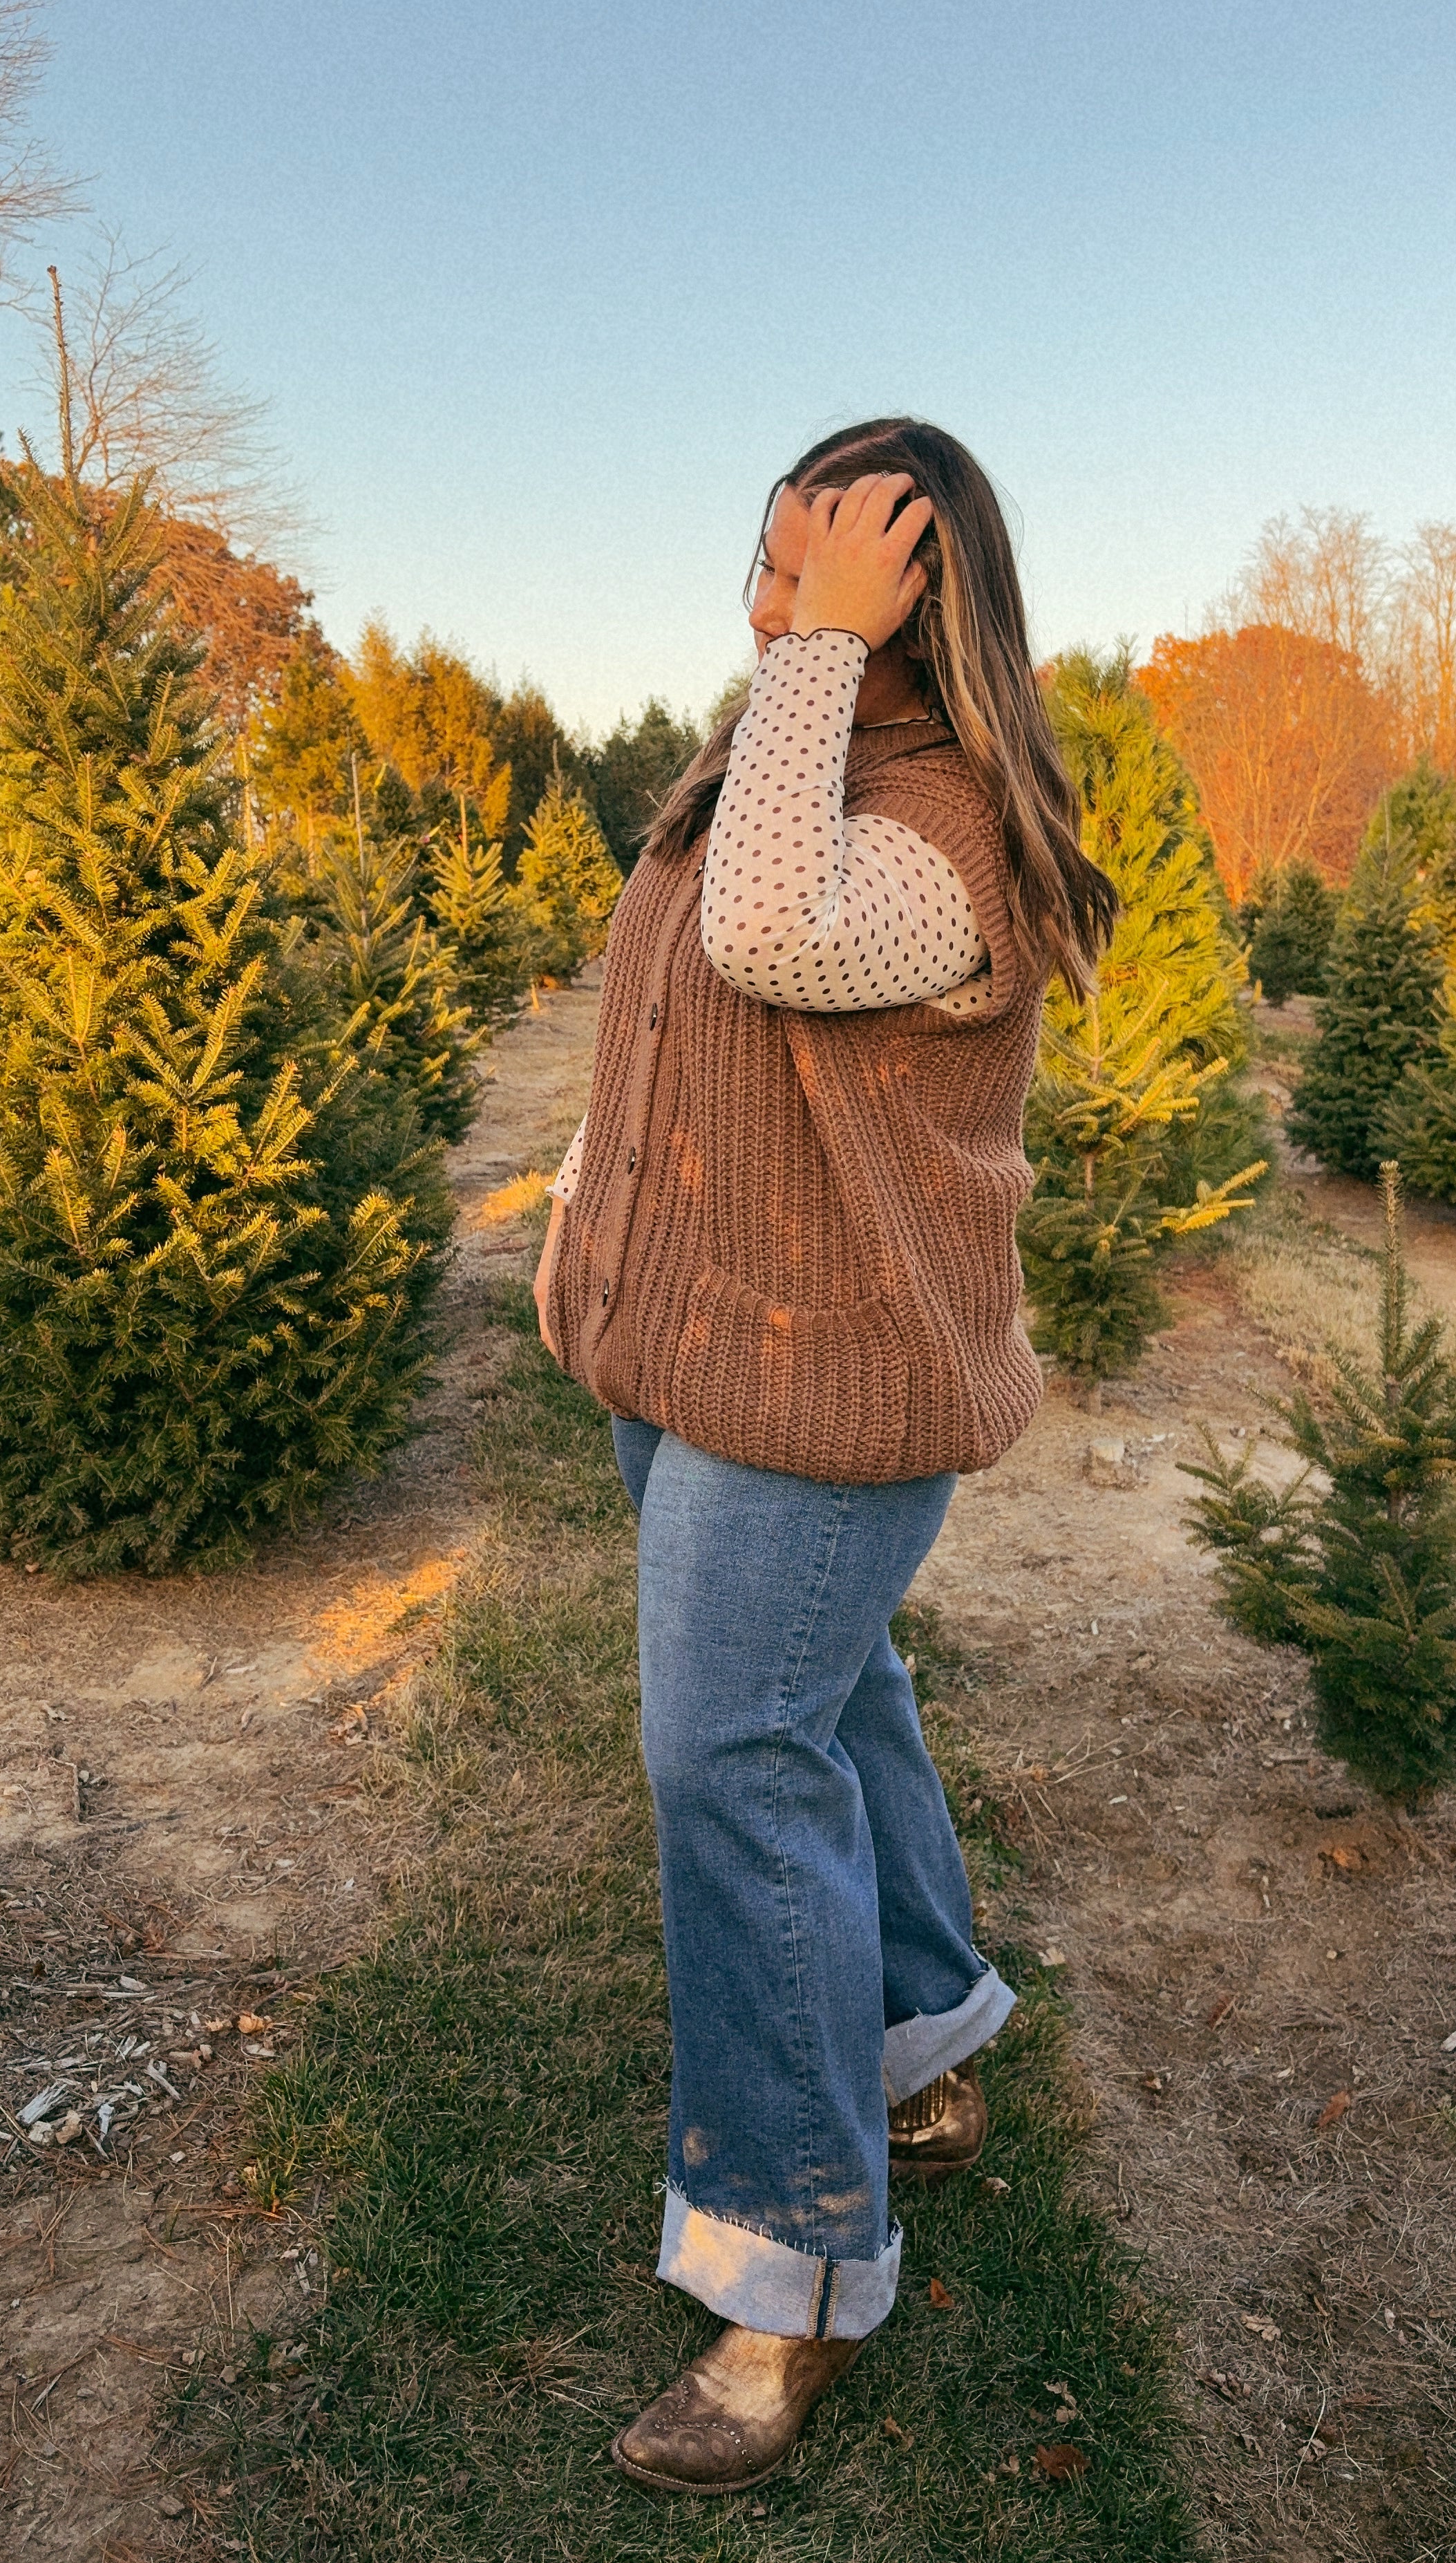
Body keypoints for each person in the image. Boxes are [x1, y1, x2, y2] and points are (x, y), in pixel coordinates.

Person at [533, 417, 1116, 2496]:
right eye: (764, 564)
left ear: (914, 595)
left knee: (732, 1759)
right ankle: (927, 2041)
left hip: (834, 1388)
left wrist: (826, 661)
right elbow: (665, 1015)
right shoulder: (771, 772)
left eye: (816, 572)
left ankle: (787, 2270)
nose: (766, 604)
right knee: (823, 1705)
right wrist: (583, 1237)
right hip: (685, 1358)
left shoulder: (948, 830)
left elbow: (773, 939)